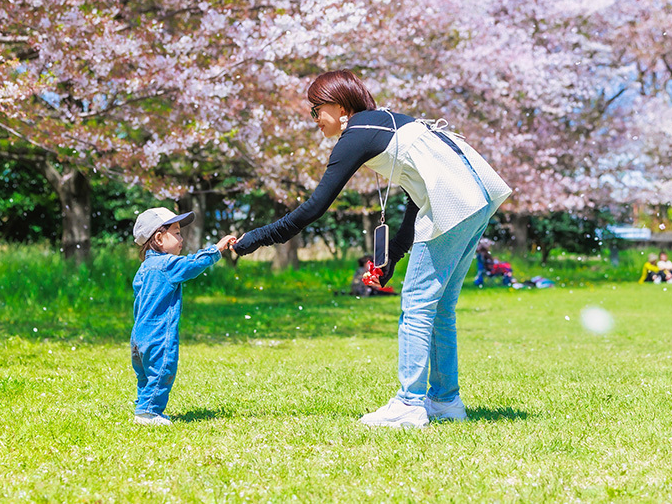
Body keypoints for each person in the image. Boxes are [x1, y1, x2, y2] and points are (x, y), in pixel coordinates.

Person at [233, 70, 511, 428]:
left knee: (417, 303)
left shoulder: (355, 136)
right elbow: (419, 192)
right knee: (440, 307)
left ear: (339, 104)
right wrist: (393, 255)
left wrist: (256, 238)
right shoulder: (386, 122)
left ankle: (410, 403)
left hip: (454, 202)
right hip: (476, 197)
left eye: (316, 109)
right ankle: (445, 400)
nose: (314, 119)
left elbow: (314, 208)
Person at [130, 207, 237, 426]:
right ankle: (149, 412)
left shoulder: (143, 269)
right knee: (162, 370)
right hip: (159, 335)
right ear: (159, 238)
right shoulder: (167, 265)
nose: (182, 238)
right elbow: (194, 264)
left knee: (146, 376)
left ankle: (143, 407)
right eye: (177, 232)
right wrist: (217, 249)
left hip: (138, 336)